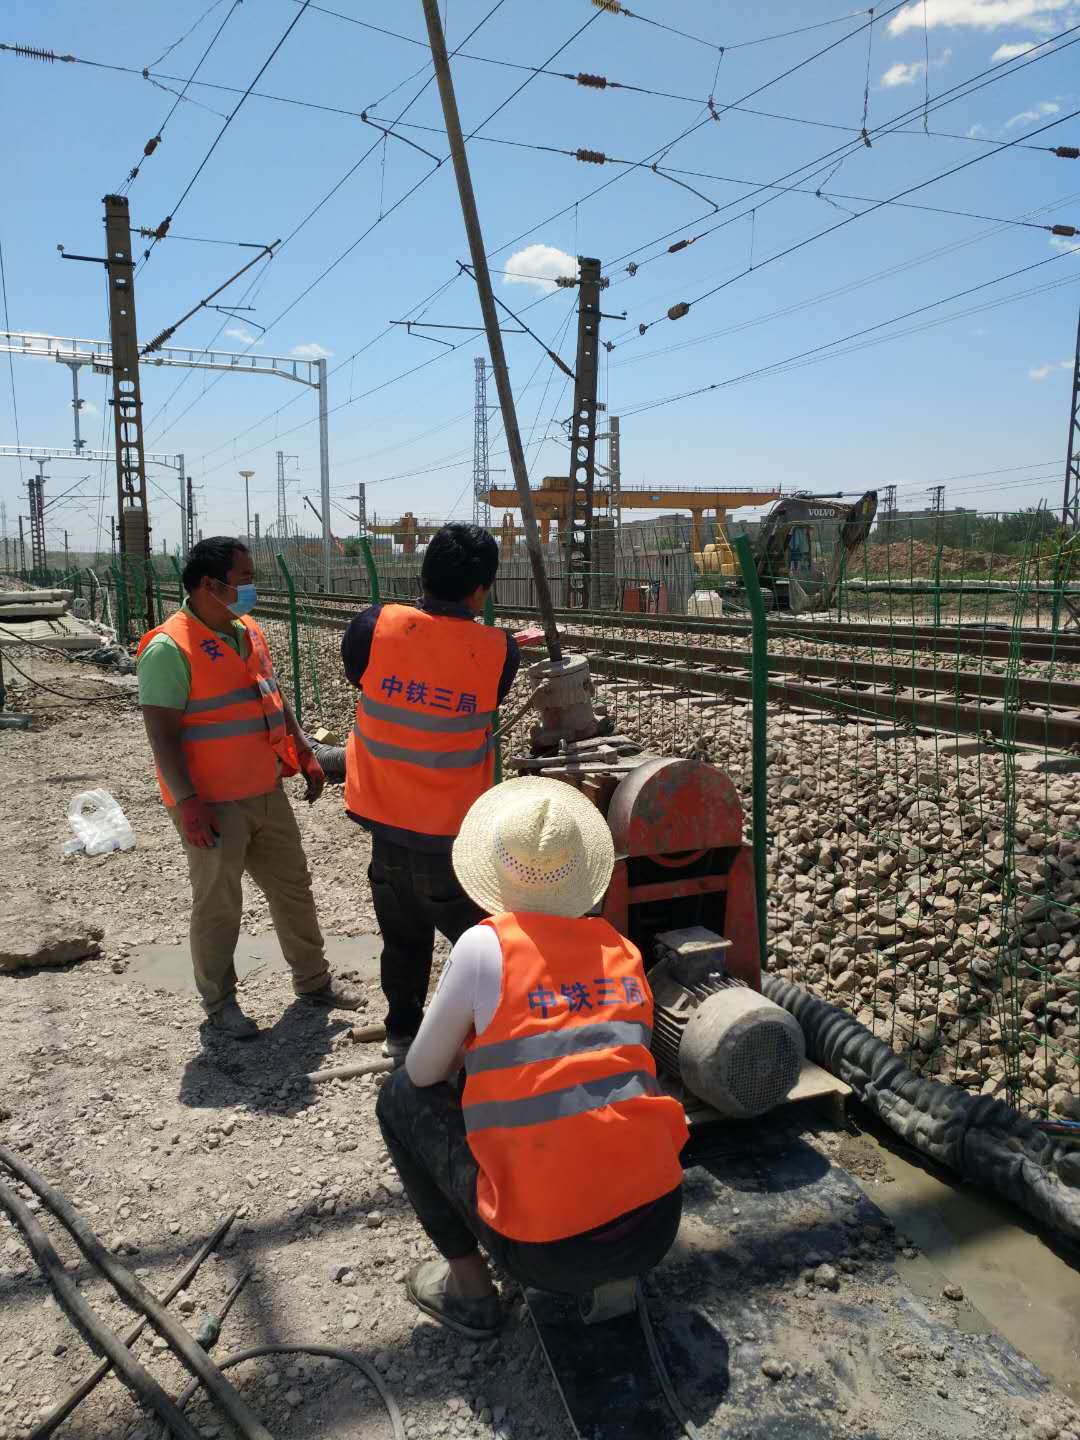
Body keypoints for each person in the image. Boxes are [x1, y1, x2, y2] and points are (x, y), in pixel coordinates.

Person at [375, 777, 688, 1339]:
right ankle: (611, 1260)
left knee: (398, 1096)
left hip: (547, 1255)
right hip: (657, 1224)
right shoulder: (620, 948)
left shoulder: (483, 946)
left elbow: (423, 1073)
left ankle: (470, 1291)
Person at [137, 536, 361, 1038]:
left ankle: (313, 982)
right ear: (209, 585)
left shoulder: (246, 630)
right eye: (243, 578)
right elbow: (161, 735)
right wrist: (189, 803)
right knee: (218, 904)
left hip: (264, 790)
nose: (250, 587)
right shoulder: (169, 648)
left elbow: (273, 698)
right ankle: (220, 1004)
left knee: (293, 889)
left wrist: (305, 752)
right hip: (212, 801)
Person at [341, 523, 520, 1060]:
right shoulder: (498, 650)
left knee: (401, 939)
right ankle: (492, 1043)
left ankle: (403, 1036)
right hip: (451, 837)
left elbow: (361, 678)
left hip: (385, 823)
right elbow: (491, 697)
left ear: (422, 574)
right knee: (481, 944)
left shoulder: (373, 626)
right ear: (482, 590)